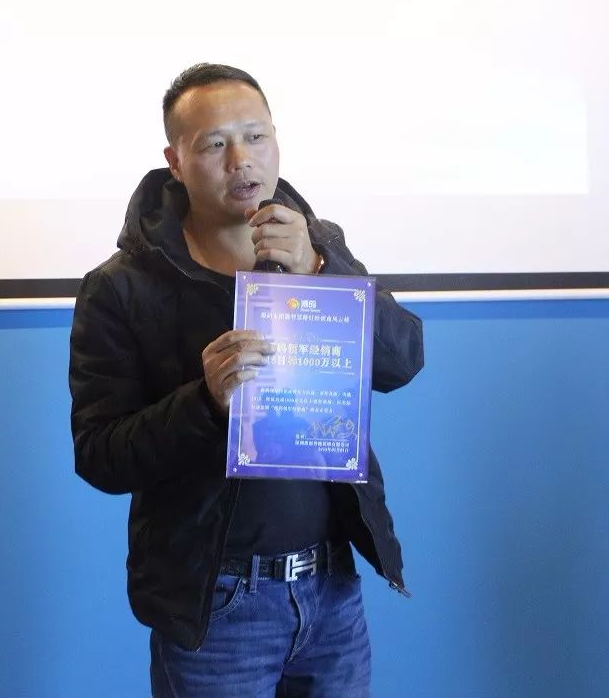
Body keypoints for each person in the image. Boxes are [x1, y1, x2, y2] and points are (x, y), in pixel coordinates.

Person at [68, 63, 424, 696]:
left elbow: (401, 362)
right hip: (217, 604)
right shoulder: (120, 288)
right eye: (214, 144)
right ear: (175, 162)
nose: (242, 160)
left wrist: (320, 272)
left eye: (256, 137)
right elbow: (100, 456)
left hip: (331, 591)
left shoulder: (318, 247)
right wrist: (205, 403)